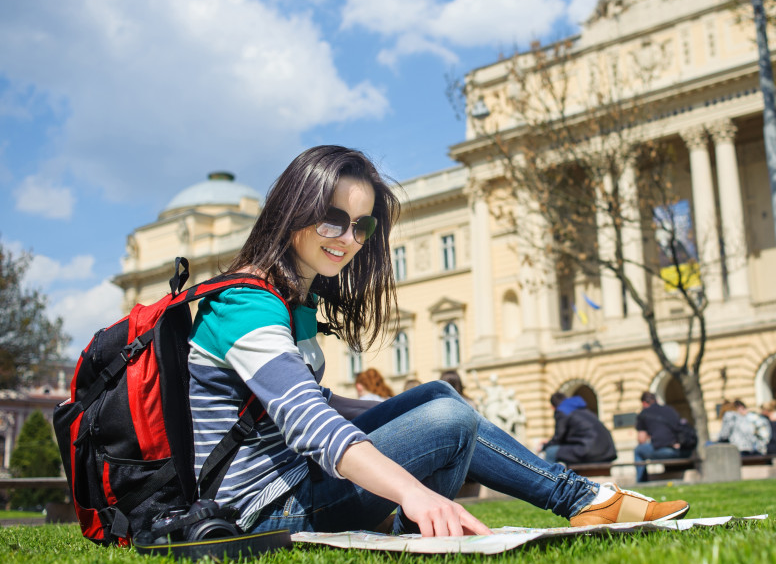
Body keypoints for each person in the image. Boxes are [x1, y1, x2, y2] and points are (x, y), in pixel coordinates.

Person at [188, 145, 689, 539]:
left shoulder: (290, 299)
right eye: (333, 219)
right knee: (446, 419)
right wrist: (415, 493)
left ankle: (581, 500)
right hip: (262, 509)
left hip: (295, 482)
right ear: (294, 209)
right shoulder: (245, 304)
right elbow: (308, 423)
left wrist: (406, 413)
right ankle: (574, 501)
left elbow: (314, 401)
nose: (348, 239)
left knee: (437, 398)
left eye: (362, 226)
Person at [540, 392, 617, 466]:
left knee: (551, 451)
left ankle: (547, 479)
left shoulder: (562, 411)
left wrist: (544, 446)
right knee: (565, 452)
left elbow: (558, 438)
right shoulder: (582, 409)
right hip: (607, 451)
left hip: (590, 450)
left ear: (553, 407)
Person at [634, 392, 695, 483]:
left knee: (638, 450)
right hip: (684, 450)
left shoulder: (644, 413)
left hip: (666, 451)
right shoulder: (669, 409)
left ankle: (641, 482)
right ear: (656, 400)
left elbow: (641, 439)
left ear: (644, 403)